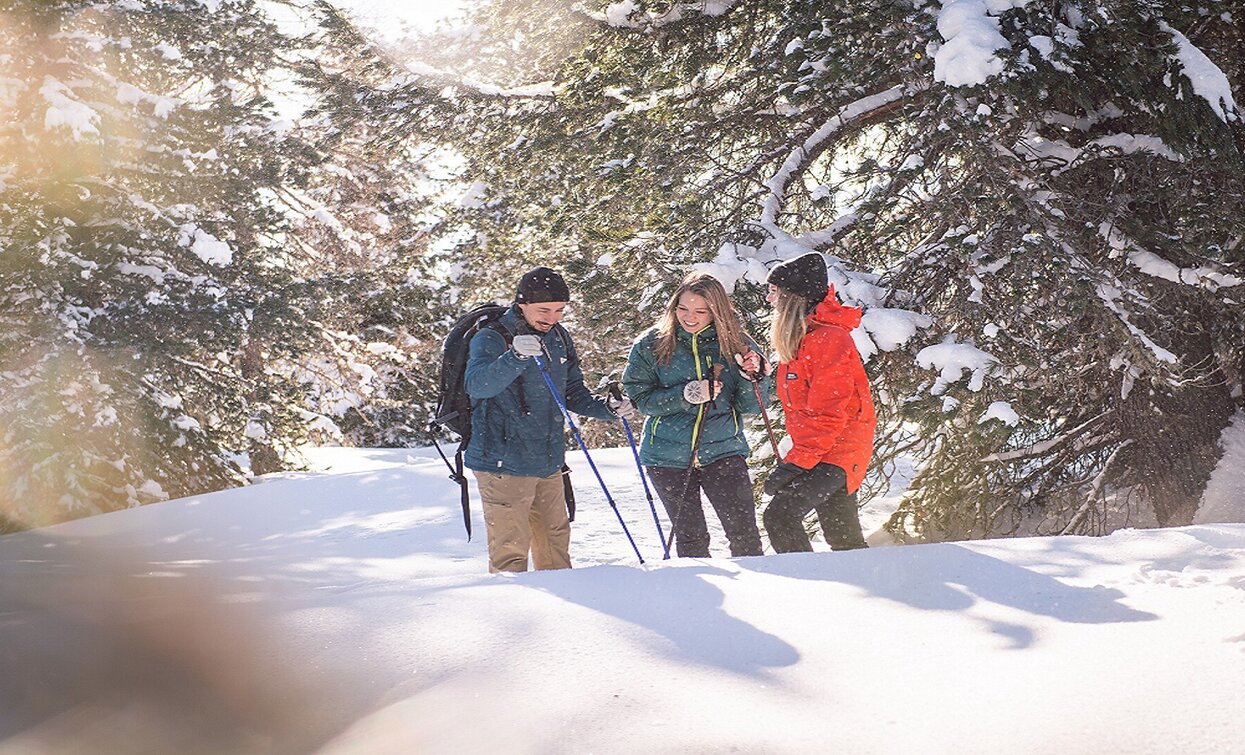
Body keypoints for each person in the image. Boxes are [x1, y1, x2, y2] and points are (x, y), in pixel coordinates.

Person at [464, 267, 635, 573]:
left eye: (559, 310)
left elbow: (572, 393)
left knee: (555, 551)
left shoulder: (558, 337)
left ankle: (561, 620)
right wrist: (514, 357)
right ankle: (512, 616)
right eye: (544, 310)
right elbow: (478, 386)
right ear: (521, 304)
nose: (552, 317)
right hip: (502, 463)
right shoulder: (492, 337)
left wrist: (608, 408)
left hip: (548, 461)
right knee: (510, 554)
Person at [623, 271, 767, 558]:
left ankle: (756, 597)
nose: (689, 317)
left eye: (700, 311)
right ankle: (695, 601)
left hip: (723, 450)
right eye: (683, 308)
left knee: (745, 537)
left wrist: (755, 378)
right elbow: (640, 399)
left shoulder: (736, 343)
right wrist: (686, 395)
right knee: (691, 540)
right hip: (666, 456)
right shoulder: (651, 344)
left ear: (716, 311)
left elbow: (751, 406)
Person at [760, 252, 876, 552]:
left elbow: (828, 413)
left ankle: (810, 594)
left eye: (774, 292)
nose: (769, 299)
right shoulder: (803, 339)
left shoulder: (828, 339)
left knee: (780, 517)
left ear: (792, 298)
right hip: (822, 450)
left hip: (839, 450)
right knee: (843, 537)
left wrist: (797, 463)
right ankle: (862, 591)